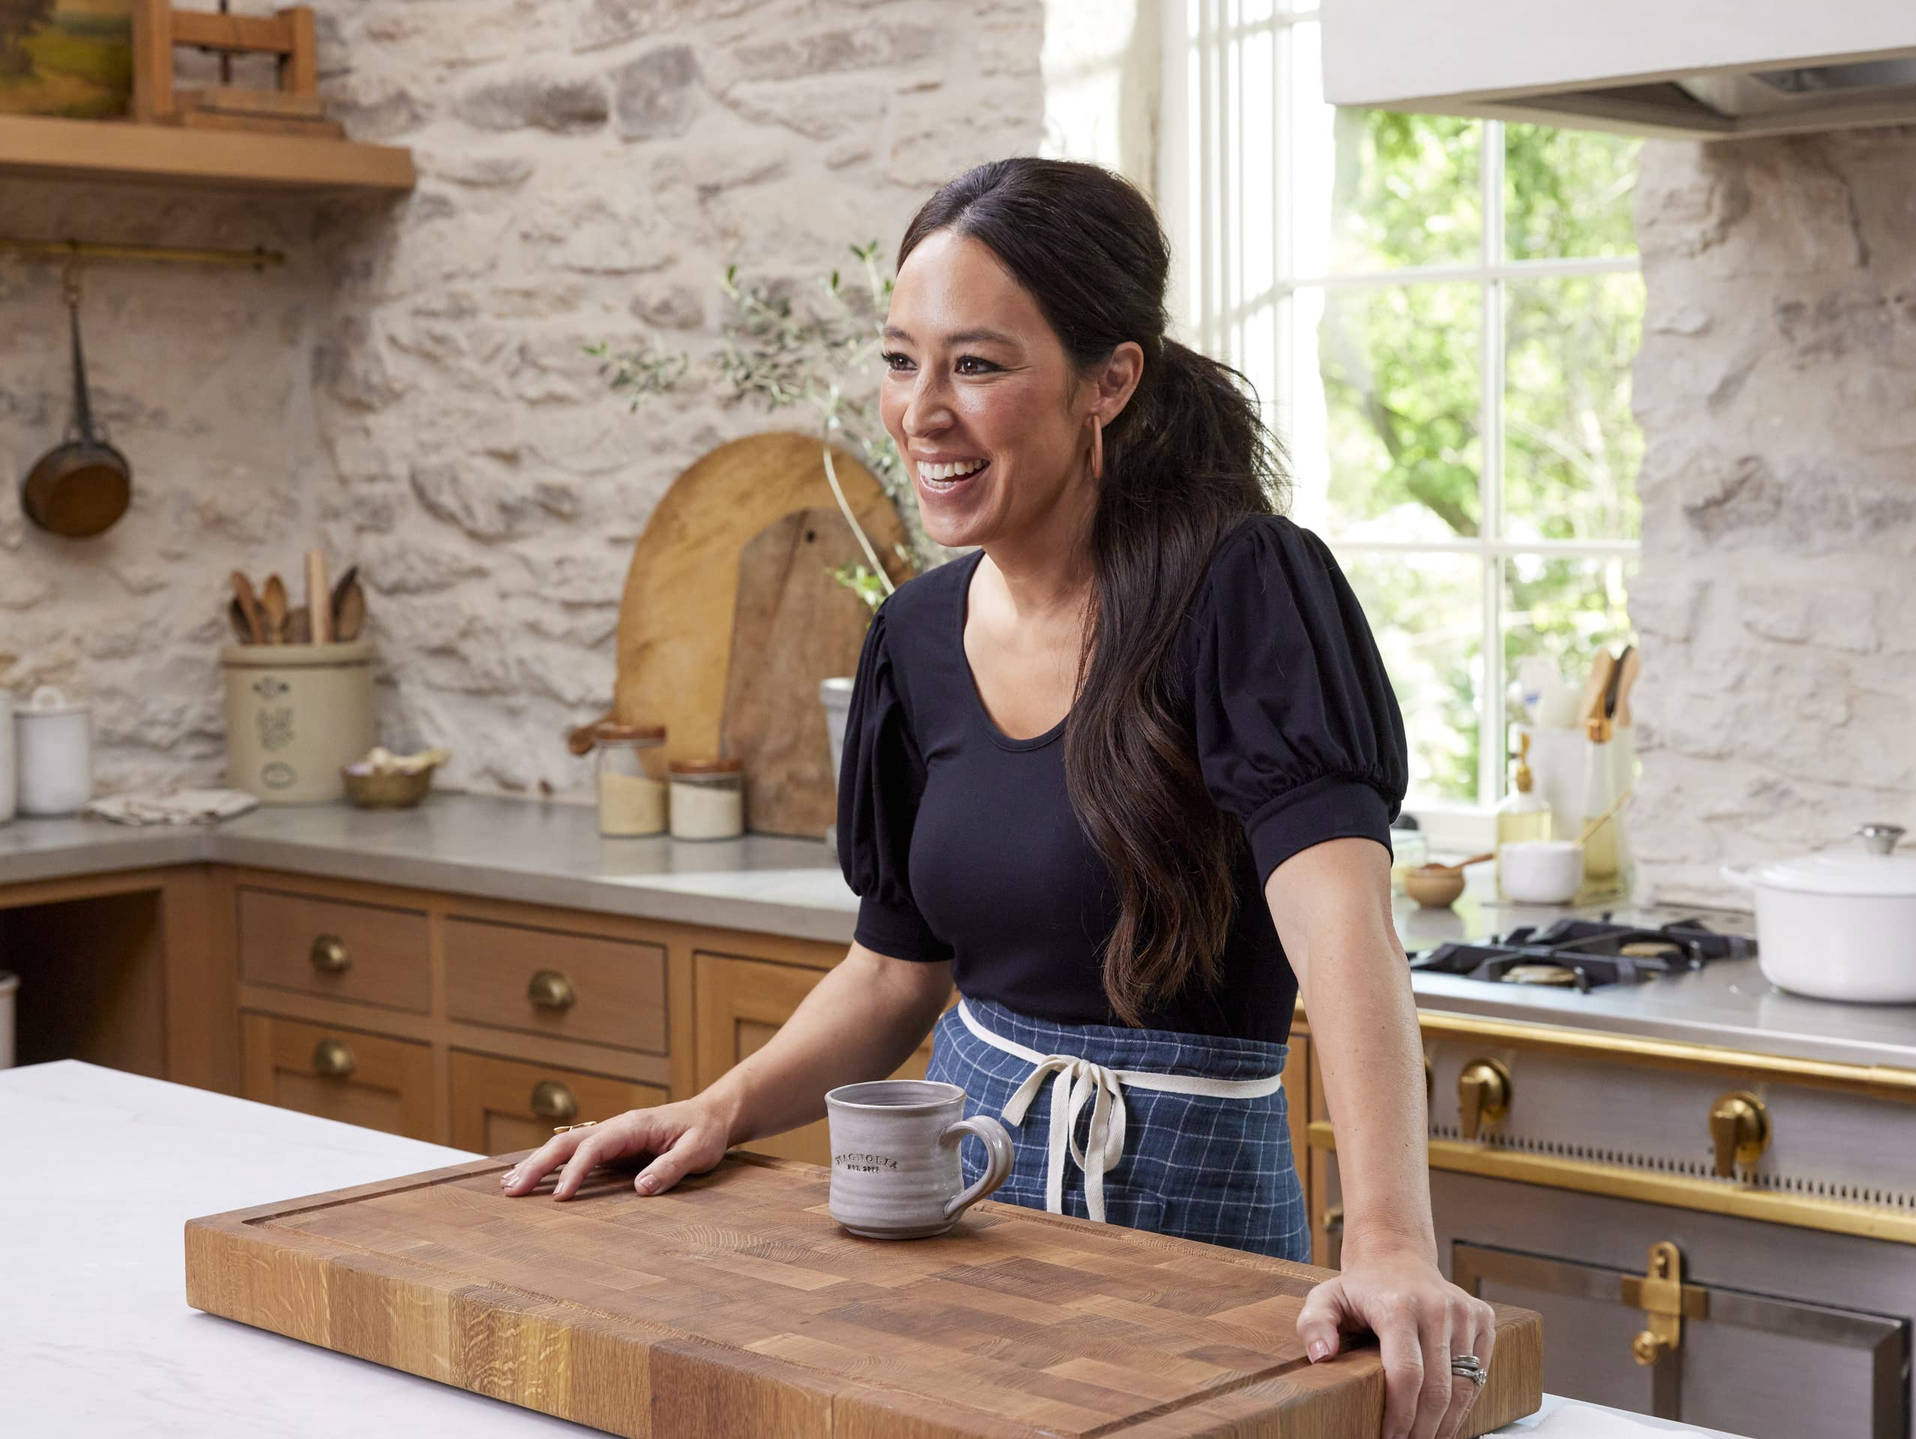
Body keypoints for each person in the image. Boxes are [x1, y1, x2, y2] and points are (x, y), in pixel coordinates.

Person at [503, 156, 1496, 1439]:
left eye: (976, 364)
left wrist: (1392, 1240)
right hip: (954, 1204)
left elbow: (1346, 933)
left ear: (1110, 381)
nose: (921, 411)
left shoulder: (1244, 587)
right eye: (901, 360)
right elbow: (892, 973)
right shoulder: (912, 637)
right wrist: (717, 1107)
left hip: (1195, 1204)